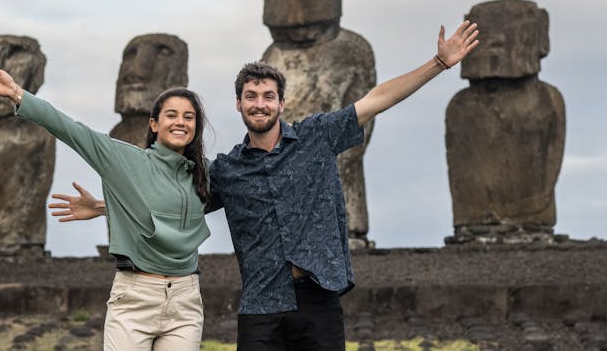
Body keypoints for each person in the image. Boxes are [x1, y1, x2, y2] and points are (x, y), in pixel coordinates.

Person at [51, 20, 479, 351]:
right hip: (261, 304)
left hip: (318, 297)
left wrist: (438, 63)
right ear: (239, 104)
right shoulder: (227, 170)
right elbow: (174, 199)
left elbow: (376, 99)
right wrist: (105, 206)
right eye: (251, 96)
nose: (260, 104)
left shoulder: (316, 137)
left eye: (268, 96)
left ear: (281, 102)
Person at [0, 65, 211, 350]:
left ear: (196, 126)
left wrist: (101, 207)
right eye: (171, 115)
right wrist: (17, 93)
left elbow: (174, 212)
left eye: (188, 117)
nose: (180, 122)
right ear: (154, 124)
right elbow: (72, 131)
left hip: (184, 302)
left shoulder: (203, 174)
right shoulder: (123, 159)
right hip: (136, 298)